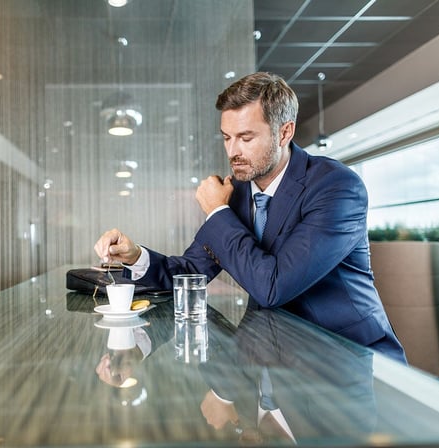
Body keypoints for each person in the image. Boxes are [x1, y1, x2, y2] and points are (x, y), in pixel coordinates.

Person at [93, 72, 406, 364]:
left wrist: (217, 212)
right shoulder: (238, 193)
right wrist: (135, 256)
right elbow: (189, 271)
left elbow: (273, 286)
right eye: (227, 137)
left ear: (285, 132)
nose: (233, 151)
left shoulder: (336, 187)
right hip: (276, 358)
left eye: (246, 137)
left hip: (348, 360)